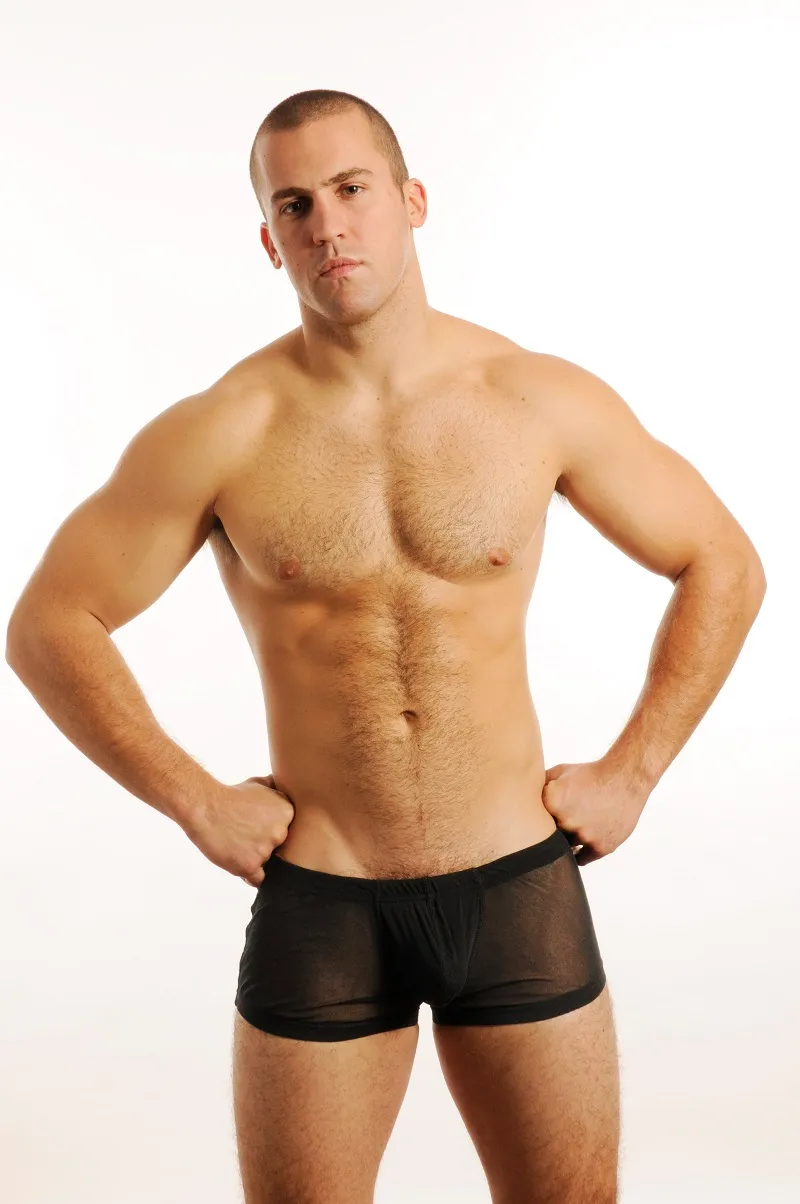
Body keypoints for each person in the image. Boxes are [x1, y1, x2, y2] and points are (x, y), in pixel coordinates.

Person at [5, 87, 766, 1204]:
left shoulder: (535, 399)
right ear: (269, 240)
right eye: (295, 205)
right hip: (324, 898)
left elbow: (721, 562)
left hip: (515, 884)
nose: (328, 226)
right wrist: (194, 799)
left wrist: (633, 772)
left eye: (352, 189)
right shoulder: (222, 428)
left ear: (412, 200)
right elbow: (48, 624)